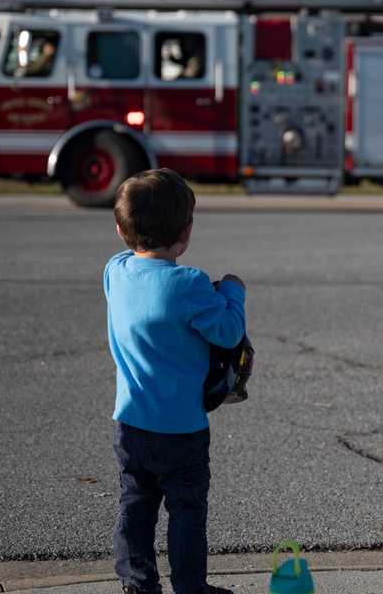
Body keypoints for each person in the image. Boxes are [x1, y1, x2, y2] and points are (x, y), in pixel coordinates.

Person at [104, 168, 246, 594]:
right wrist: (234, 291)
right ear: (186, 232)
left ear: (120, 230)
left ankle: (137, 583)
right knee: (186, 513)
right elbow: (228, 331)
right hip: (182, 429)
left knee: (135, 507)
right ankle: (189, 587)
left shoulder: (115, 270)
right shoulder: (189, 284)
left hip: (129, 424)